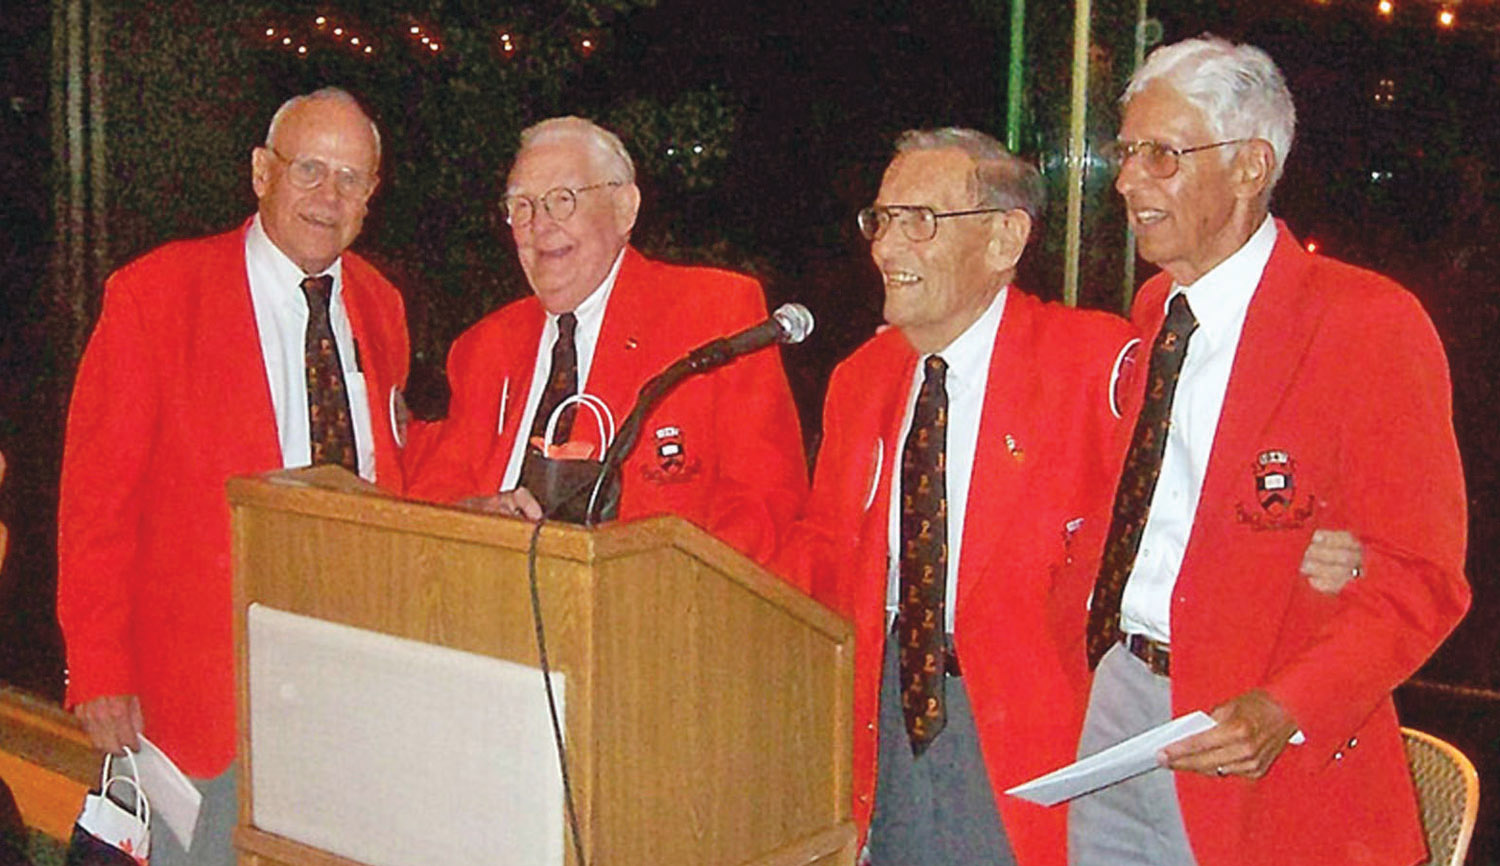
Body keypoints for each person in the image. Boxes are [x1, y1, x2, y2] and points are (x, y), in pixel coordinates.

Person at [1068, 36, 1470, 866]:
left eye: (1162, 156)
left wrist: (1286, 707)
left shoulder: (1366, 324)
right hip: (1120, 702)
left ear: (1251, 167)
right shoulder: (1154, 315)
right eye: (1127, 151)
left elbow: (1420, 576)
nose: (1128, 180)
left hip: (1257, 734)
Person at [56, 87, 410, 866]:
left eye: (351, 178)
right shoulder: (156, 295)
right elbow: (96, 498)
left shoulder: (381, 307)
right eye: (310, 168)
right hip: (200, 702)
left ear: (371, 196)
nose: (329, 195)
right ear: (261, 172)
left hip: (343, 687)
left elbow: (391, 472)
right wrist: (100, 665)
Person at [775, 128, 1139, 866]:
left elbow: (1185, 515)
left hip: (1036, 732)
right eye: (881, 220)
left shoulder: (1095, 365)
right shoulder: (860, 379)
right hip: (890, 719)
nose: (886, 248)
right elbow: (821, 558)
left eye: (920, 221)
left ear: (1005, 238)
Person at [406, 117, 806, 564]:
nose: (540, 224)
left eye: (563, 200)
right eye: (521, 206)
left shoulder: (715, 317)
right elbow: (431, 498)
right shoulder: (483, 347)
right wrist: (471, 516)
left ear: (624, 208)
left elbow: (765, 500)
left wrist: (667, 590)